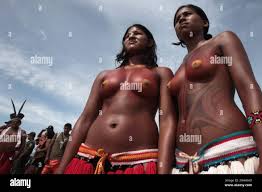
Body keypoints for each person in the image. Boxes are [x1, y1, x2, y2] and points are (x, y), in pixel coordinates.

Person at [56, 24, 175, 174]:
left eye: (137, 33)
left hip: (139, 161)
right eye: (127, 36)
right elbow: (85, 118)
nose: (131, 36)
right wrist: (62, 167)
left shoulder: (161, 73)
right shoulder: (104, 75)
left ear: (150, 42)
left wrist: (164, 170)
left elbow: (167, 121)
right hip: (86, 157)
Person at [158, 4, 262, 174]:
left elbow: (248, 87)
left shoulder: (222, 41)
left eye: (187, 14)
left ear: (205, 22)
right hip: (183, 164)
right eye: (177, 20)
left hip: (232, 153)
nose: (181, 19)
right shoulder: (176, 72)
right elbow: (168, 121)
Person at [0, 99, 27, 174]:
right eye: (13, 121)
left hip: (10, 155)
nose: (15, 123)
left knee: (3, 171)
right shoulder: (4, 129)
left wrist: (17, 155)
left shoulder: (22, 132)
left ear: (20, 123)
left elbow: (23, 146)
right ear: (11, 122)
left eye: (17, 122)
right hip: (0, 152)